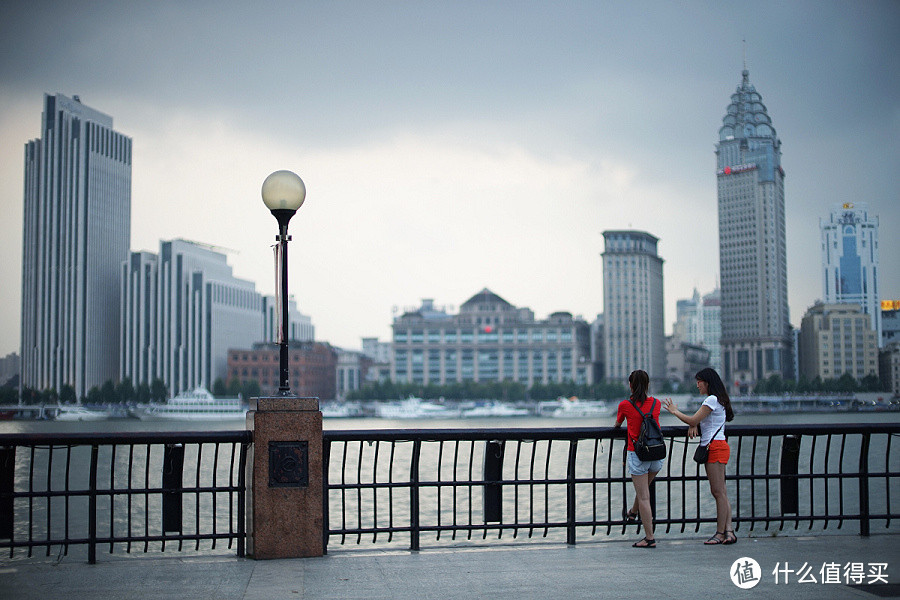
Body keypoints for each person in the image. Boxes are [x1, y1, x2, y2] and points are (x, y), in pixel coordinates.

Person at [663, 367, 736, 545]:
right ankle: (729, 531)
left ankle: (720, 533)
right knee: (722, 492)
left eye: (699, 381)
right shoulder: (718, 399)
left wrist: (674, 411)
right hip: (719, 445)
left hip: (715, 448)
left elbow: (693, 419)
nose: (697, 385)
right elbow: (702, 422)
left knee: (718, 492)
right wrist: (695, 426)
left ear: (707, 382)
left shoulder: (711, 399)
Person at [614, 369, 663, 548]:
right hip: (656, 454)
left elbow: (618, 424)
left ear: (630, 385)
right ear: (648, 385)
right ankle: (633, 512)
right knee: (643, 490)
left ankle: (649, 538)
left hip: (637, 453)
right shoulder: (656, 404)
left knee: (643, 496)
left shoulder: (625, 405)